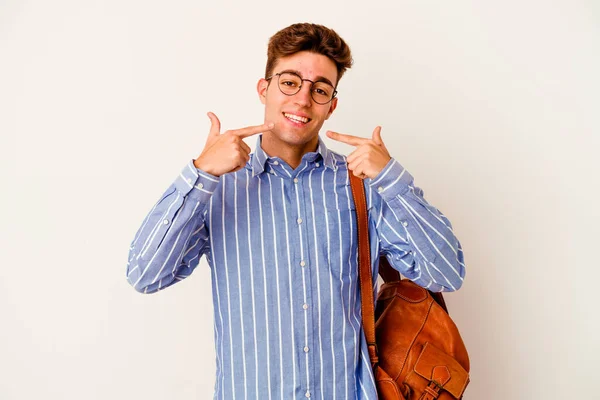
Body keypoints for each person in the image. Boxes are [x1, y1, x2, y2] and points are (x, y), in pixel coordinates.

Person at [126, 22, 466, 400]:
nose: (303, 100)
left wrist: (392, 178)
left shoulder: (364, 185)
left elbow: (446, 273)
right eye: (290, 82)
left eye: (319, 89)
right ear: (264, 88)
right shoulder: (218, 187)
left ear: (331, 105)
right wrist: (200, 172)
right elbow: (145, 274)